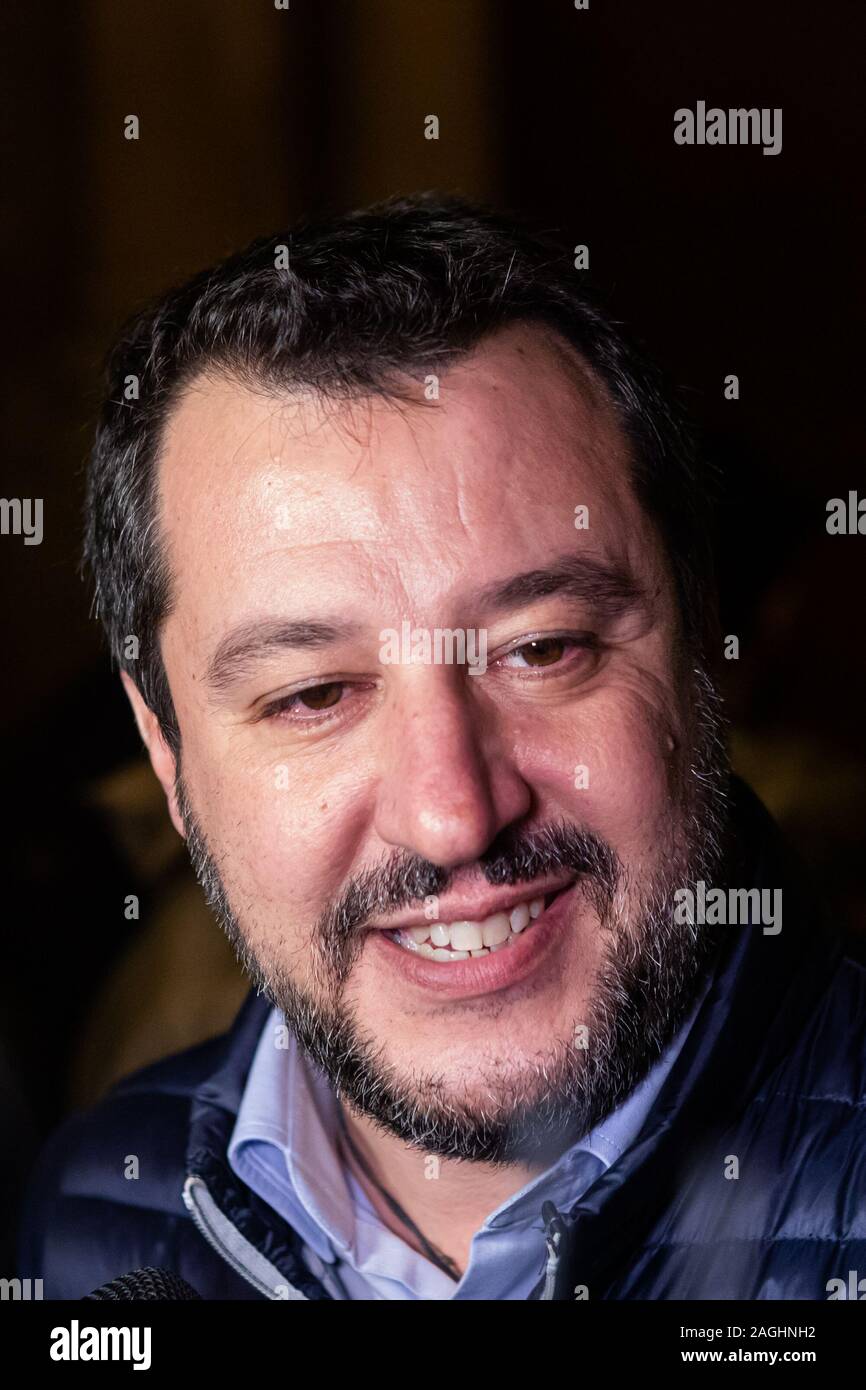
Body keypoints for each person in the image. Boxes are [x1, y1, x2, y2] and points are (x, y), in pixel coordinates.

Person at [18, 193, 866, 1300]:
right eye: (314, 693)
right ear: (167, 754)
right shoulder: (92, 1219)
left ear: (705, 652)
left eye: (541, 649)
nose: (453, 811)